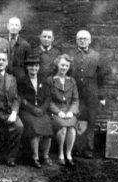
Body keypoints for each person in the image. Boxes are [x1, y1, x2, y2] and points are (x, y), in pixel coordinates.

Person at [69, 30, 109, 158]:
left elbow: (102, 78)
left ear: (90, 41)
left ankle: (88, 149)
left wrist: (101, 96)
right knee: (75, 119)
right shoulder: (70, 55)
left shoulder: (97, 56)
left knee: (91, 121)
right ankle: (74, 148)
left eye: (85, 39)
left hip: (91, 94)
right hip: (75, 94)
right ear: (76, 41)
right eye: (80, 38)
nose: (82, 41)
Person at [18, 55, 53, 168]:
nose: (33, 69)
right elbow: (20, 98)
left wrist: (42, 109)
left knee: (48, 125)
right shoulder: (22, 81)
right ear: (27, 67)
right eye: (31, 66)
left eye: (36, 66)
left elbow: (48, 97)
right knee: (34, 128)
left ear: (39, 67)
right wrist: (33, 109)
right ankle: (35, 157)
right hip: (27, 111)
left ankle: (45, 156)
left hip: (41, 111)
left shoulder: (43, 80)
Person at [47, 54, 79, 166]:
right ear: (57, 65)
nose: (64, 68)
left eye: (66, 66)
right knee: (63, 128)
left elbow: (75, 100)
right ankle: (60, 154)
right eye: (62, 65)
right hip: (55, 112)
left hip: (69, 111)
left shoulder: (72, 81)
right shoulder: (50, 80)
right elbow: (48, 101)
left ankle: (68, 154)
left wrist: (71, 112)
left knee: (72, 129)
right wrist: (58, 112)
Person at [6, 17, 31, 84]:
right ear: (7, 26)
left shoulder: (25, 45)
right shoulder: (2, 42)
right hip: (4, 76)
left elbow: (27, 65)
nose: (14, 27)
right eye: (12, 25)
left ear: (20, 27)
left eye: (16, 25)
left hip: (19, 78)